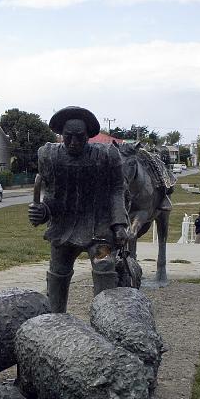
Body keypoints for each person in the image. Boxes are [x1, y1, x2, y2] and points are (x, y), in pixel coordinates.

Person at [28, 106, 129, 313]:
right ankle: (56, 319)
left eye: (79, 137)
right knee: (58, 271)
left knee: (104, 267)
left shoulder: (107, 156)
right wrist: (43, 211)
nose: (73, 143)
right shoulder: (50, 156)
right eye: (68, 137)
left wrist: (119, 224)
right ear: (61, 136)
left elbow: (117, 190)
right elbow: (51, 196)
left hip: (100, 230)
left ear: (88, 136)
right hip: (63, 229)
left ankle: (106, 320)